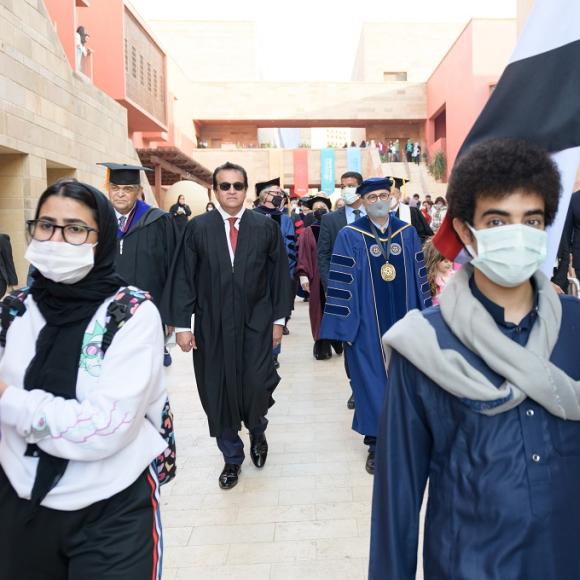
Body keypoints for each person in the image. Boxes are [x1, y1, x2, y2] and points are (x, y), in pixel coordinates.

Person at [369, 139, 580, 579]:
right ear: (466, 232)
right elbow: (398, 502)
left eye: (532, 220)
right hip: (470, 565)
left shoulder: (576, 328)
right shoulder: (424, 346)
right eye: (498, 221)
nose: (517, 234)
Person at [0, 180, 170, 579]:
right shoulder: (13, 312)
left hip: (110, 509)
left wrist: (8, 400)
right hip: (20, 500)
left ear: (102, 238)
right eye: (46, 225)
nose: (57, 239)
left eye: (76, 229)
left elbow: (105, 428)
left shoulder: (129, 314)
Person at [161, 162, 293, 491]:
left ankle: (257, 429)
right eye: (224, 186)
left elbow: (279, 277)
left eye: (237, 185)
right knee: (217, 391)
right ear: (214, 190)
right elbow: (183, 277)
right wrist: (182, 325)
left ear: (246, 190)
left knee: (256, 386)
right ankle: (231, 457)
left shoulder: (265, 227)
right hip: (213, 325)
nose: (231, 191)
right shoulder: (198, 228)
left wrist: (278, 320)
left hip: (257, 322)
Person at [320, 177, 431, 474]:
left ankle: (408, 440)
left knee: (408, 382)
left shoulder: (407, 233)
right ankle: (376, 444)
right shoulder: (349, 235)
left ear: (392, 198)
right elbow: (342, 284)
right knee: (370, 384)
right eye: (372, 198)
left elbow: (421, 280)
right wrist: (346, 330)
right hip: (366, 326)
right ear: (363, 203)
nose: (379, 201)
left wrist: (427, 318)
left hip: (406, 323)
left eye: (384, 195)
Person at [99, 162, 178, 367]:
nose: (121, 194)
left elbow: (174, 269)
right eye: (115, 188)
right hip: (104, 312)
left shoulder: (159, 221)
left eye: (128, 189)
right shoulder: (98, 222)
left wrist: (170, 314)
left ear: (139, 192)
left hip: (149, 312)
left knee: (146, 370)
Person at [318, 171, 365, 409]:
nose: (346, 189)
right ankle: (356, 386)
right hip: (345, 292)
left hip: (374, 290)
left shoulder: (377, 216)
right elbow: (323, 256)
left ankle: (376, 384)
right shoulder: (331, 220)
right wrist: (333, 287)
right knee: (351, 340)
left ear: (361, 188)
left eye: (351, 186)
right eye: (343, 186)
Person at [296, 195, 342, 360]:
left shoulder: (337, 227)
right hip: (316, 278)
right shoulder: (309, 232)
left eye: (322, 206)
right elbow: (303, 254)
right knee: (319, 311)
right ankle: (322, 345)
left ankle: (337, 339)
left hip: (337, 274)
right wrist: (303, 275)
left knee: (337, 310)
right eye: (316, 208)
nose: (319, 209)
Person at [254, 178, 297, 352]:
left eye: (281, 194)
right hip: (255, 275)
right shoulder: (251, 216)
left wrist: (288, 273)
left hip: (278, 274)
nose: (280, 196)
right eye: (276, 193)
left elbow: (291, 248)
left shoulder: (285, 220)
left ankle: (273, 353)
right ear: (265, 196)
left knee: (276, 313)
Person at [388, 178, 433, 243]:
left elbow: (424, 236)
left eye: (393, 193)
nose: (390, 197)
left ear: (400, 195)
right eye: (386, 194)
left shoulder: (412, 212)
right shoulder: (377, 215)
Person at [423, 237, 454, 305]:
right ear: (434, 259)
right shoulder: (429, 281)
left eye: (451, 258)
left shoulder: (455, 277)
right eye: (445, 260)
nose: (449, 263)